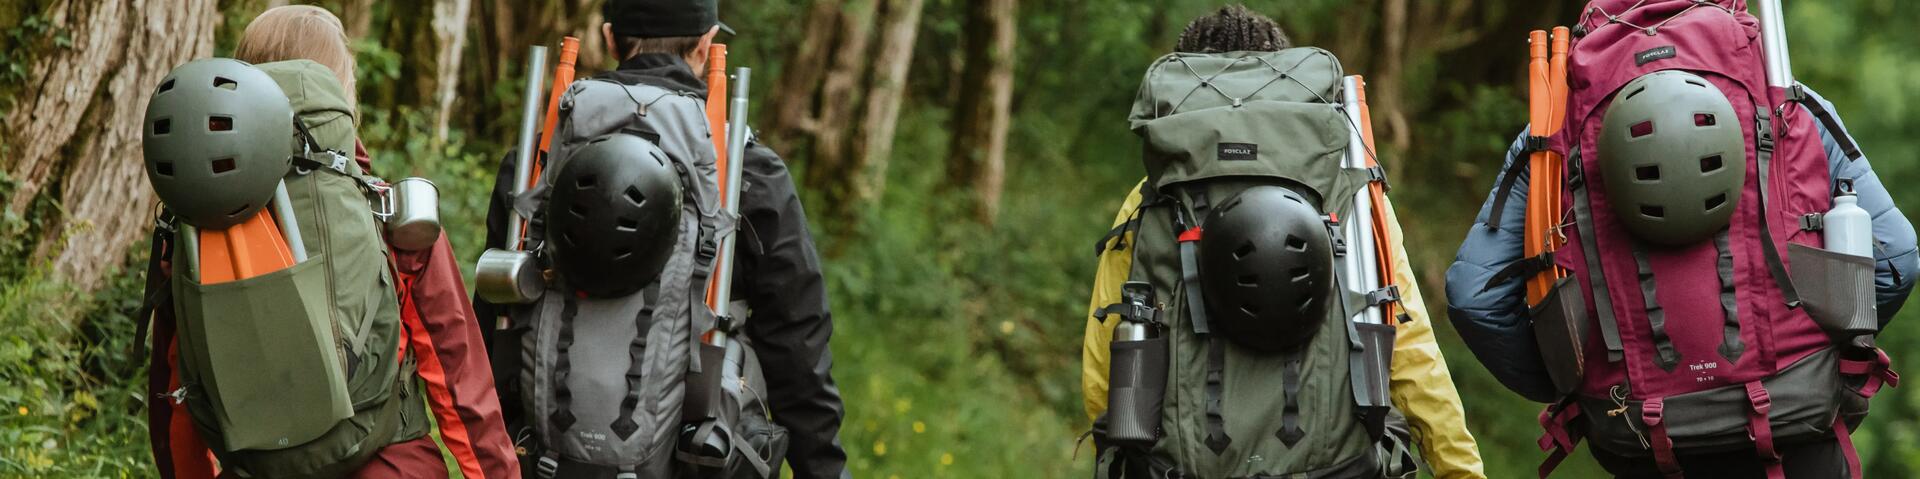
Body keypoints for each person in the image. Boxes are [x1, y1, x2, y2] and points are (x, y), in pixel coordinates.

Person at [1444, 4, 1917, 478]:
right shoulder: (1786, 97)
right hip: (1796, 430)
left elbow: (1473, 298)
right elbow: (1896, 255)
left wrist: (1574, 383)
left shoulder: (1555, 126)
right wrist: (1830, 360)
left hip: (1642, 436)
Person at [1080, 6, 1485, 479]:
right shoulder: (1349, 192)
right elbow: (1412, 350)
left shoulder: (1150, 199)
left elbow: (1105, 362)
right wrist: (1461, 469)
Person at [472, 0, 848, 477]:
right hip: (690, 461)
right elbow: (798, 346)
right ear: (707, 44)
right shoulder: (743, 169)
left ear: (609, 38)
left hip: (543, 459)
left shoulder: (542, 150)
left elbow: (491, 316)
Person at [227, 5, 520, 478]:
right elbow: (458, 378)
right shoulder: (394, 213)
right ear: (342, 92)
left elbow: (183, 390)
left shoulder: (205, 223)